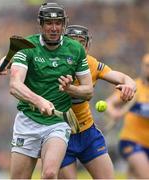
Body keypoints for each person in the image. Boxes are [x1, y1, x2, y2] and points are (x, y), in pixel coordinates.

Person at [0, 3, 93, 179]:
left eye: (58, 23)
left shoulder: (76, 49)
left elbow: (88, 90)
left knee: (50, 173)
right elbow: (15, 85)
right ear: (41, 24)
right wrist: (39, 101)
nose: (54, 28)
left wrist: (71, 89)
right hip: (28, 121)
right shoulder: (26, 46)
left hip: (57, 121)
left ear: (64, 24)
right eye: (49, 23)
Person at [58, 25, 136, 179]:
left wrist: (130, 86)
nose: (78, 46)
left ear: (87, 45)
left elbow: (124, 78)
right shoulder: (52, 64)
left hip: (87, 132)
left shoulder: (91, 63)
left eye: (82, 42)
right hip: (59, 134)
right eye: (73, 42)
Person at [106, 53, 149, 179]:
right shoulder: (134, 87)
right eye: (147, 66)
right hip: (132, 140)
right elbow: (109, 103)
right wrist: (114, 113)